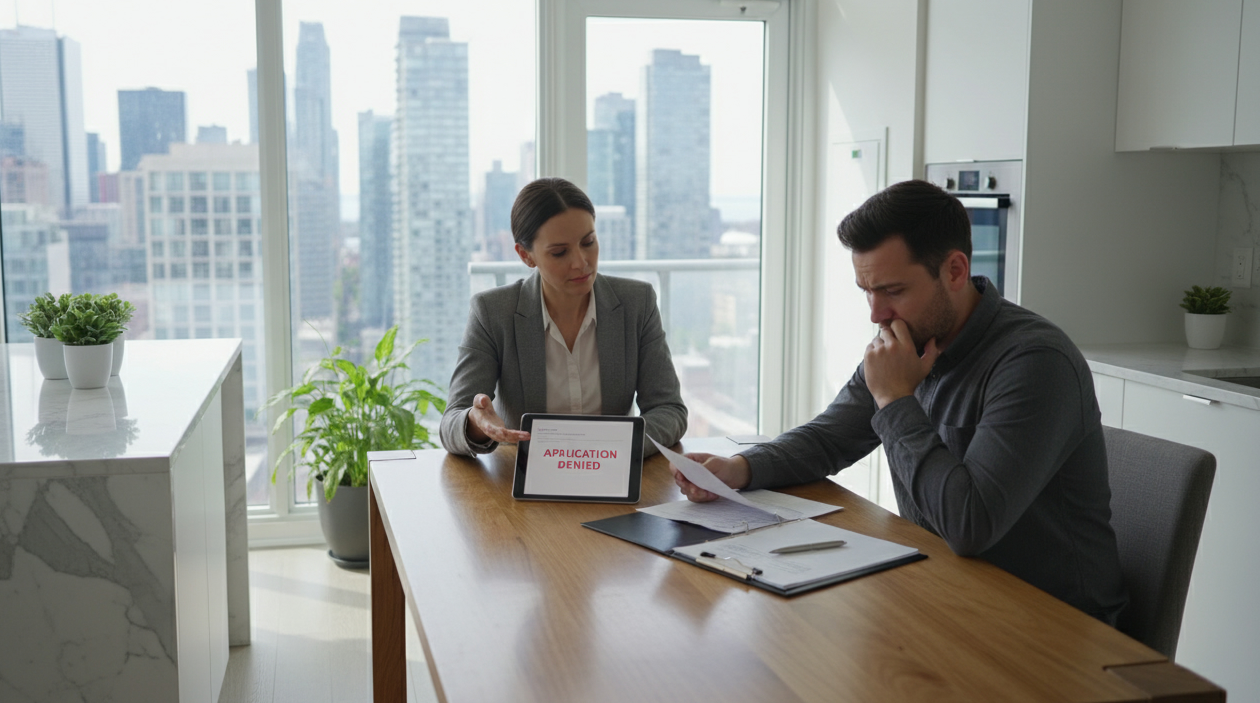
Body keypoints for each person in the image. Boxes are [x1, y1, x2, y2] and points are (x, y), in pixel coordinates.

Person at [673, 180, 1127, 625]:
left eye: (893, 291)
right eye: (866, 291)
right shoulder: (910, 339)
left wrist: (894, 398)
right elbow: (831, 437)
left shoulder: (1035, 362)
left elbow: (969, 525)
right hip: (948, 592)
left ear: (955, 271)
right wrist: (741, 468)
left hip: (1055, 624)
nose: (876, 314)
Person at [440, 177, 687, 457]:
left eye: (588, 242)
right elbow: (451, 423)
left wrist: (615, 448)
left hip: (611, 471)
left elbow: (669, 410)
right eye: (559, 252)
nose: (581, 262)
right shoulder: (493, 312)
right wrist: (476, 423)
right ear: (526, 256)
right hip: (524, 476)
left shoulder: (637, 303)